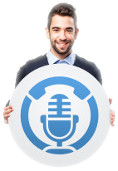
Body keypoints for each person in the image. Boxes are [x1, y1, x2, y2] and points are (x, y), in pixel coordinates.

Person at [3, 3, 115, 125]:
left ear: (76, 33)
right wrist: (8, 113)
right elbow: (18, 108)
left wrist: (105, 115)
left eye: (68, 30)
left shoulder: (90, 71)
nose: (62, 37)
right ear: (47, 32)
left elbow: (93, 114)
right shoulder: (28, 70)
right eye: (56, 30)